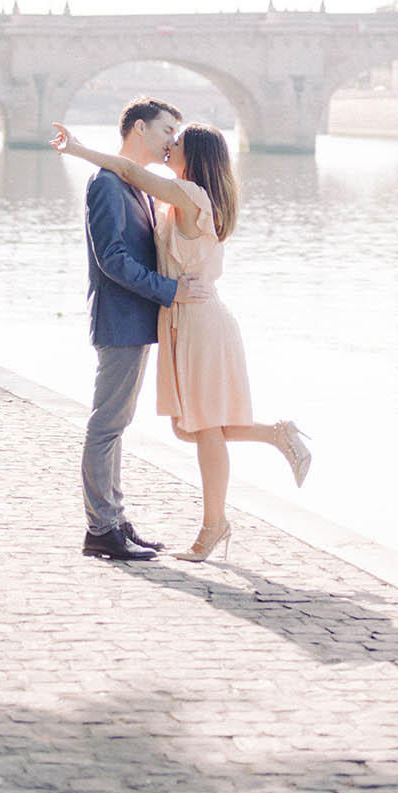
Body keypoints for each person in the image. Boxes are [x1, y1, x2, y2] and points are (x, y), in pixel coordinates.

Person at [51, 119, 311, 562]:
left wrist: (77, 150)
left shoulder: (190, 195)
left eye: (179, 140)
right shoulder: (180, 195)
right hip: (181, 321)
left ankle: (212, 528)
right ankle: (275, 434)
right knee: (186, 426)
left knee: (203, 426)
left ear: (197, 156)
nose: (171, 144)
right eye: (167, 134)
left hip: (198, 320)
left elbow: (131, 173)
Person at [74, 96, 184, 561]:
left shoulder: (133, 183)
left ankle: (114, 519)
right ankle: (101, 528)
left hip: (134, 320)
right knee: (106, 425)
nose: (170, 143)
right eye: (165, 132)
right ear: (138, 128)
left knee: (117, 424)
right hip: (120, 320)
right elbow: (112, 259)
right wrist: (169, 289)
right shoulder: (106, 183)